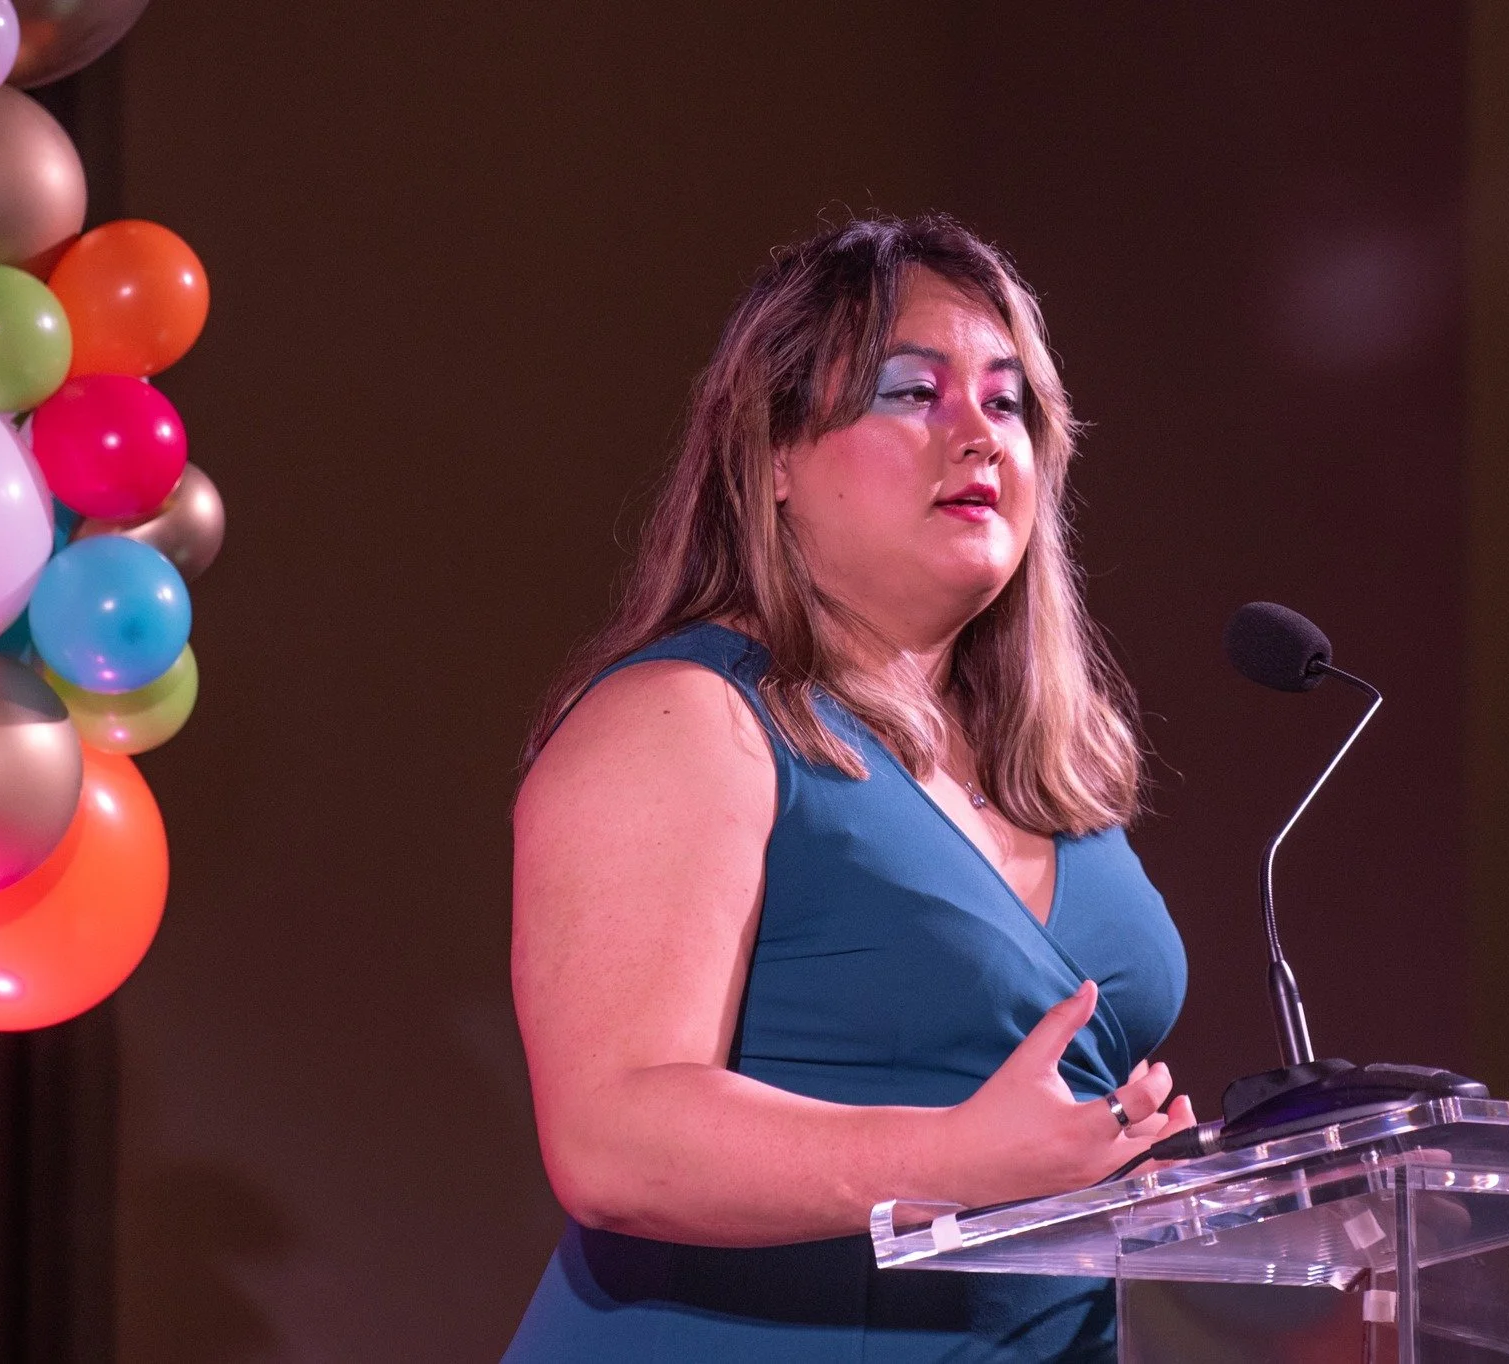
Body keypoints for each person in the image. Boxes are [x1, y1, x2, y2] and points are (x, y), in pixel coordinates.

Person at [502, 214, 1193, 1362]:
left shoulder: (1053, 777)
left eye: (1006, 401)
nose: (976, 434)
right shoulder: (682, 719)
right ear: (774, 454)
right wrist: (956, 1158)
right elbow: (610, 1139)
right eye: (912, 392)